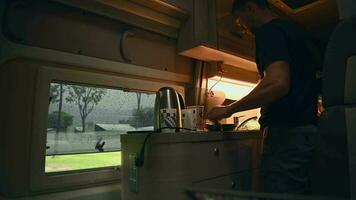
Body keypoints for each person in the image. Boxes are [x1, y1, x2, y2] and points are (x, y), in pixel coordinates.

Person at [207, 0, 320, 194]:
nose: (242, 27)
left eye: (240, 20)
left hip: (286, 135)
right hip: (307, 132)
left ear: (250, 8)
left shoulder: (269, 32)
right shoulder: (297, 32)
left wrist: (228, 109)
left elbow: (277, 83)